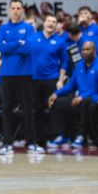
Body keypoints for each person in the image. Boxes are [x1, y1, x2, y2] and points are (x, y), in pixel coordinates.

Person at [0, 0, 40, 154]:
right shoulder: (2, 28)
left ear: (22, 11)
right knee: (7, 109)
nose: (16, 10)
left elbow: (28, 48)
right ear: (9, 10)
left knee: (28, 109)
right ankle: (7, 143)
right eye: (13, 8)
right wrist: (18, 43)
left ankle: (32, 143)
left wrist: (11, 46)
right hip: (7, 74)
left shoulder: (28, 28)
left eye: (18, 8)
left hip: (25, 74)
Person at [47, 41, 98, 148]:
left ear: (94, 51)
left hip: (95, 99)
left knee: (84, 102)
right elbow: (71, 85)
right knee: (57, 102)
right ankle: (62, 135)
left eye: (88, 49)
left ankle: (81, 136)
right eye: (83, 50)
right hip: (79, 98)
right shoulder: (79, 66)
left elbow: (95, 88)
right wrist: (55, 94)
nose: (85, 52)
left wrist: (82, 96)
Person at [31, 15, 69, 150]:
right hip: (34, 79)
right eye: (49, 21)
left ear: (56, 25)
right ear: (44, 23)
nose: (51, 24)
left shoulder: (60, 41)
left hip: (51, 79)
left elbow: (64, 62)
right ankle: (38, 140)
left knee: (54, 108)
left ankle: (55, 137)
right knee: (37, 110)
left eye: (54, 22)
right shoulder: (33, 38)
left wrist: (60, 80)